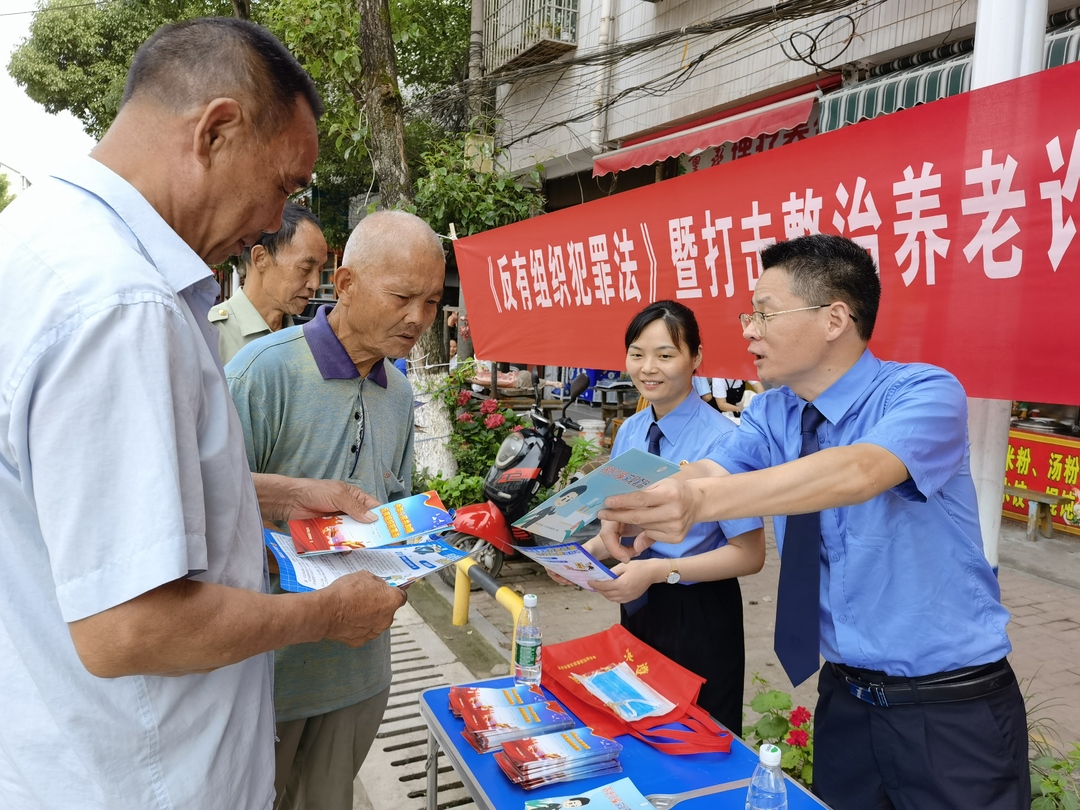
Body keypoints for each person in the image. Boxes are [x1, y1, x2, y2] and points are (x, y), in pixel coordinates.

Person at [0, 18, 406, 810]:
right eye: (285, 185)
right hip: (146, 777)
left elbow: (81, 502)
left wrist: (283, 496)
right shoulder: (120, 306)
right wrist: (327, 613)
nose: (273, 222)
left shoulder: (37, 243)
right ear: (215, 131)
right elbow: (133, 626)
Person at [598, 235, 1028, 810]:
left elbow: (860, 470)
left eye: (765, 313)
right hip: (845, 699)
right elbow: (707, 466)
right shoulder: (774, 412)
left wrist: (698, 502)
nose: (749, 330)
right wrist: (635, 495)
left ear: (834, 319)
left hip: (950, 709)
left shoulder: (924, 393)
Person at [226, 210, 446, 810]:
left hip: (357, 673)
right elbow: (206, 520)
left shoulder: (399, 393)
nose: (419, 320)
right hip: (266, 676)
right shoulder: (261, 374)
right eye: (403, 297)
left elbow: (391, 511)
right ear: (344, 284)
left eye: (431, 302)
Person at [559, 300, 765, 734]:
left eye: (666, 355)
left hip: (700, 610)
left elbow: (749, 555)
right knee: (638, 721)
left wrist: (661, 571)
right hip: (639, 603)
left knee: (700, 734)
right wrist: (579, 557)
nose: (648, 368)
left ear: (697, 358)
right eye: (637, 353)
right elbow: (623, 527)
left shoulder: (725, 441)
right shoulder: (632, 431)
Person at [210, 201, 328, 362]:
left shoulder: (307, 340)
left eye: (320, 271)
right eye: (305, 268)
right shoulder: (209, 334)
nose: (315, 284)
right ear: (261, 258)